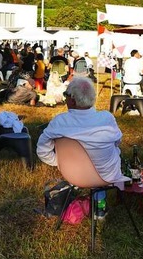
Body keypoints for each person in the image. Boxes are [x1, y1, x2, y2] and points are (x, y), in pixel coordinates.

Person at [37, 77, 124, 218]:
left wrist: (59, 162)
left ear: (72, 100)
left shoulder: (60, 121)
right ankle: (99, 208)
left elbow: (42, 149)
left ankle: (88, 203)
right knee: (112, 153)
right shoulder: (107, 118)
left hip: (74, 175)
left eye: (65, 95)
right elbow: (117, 141)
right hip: (108, 176)